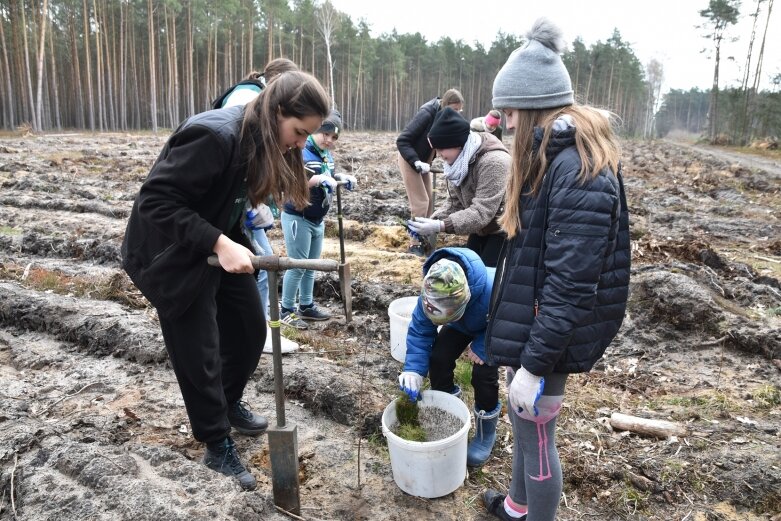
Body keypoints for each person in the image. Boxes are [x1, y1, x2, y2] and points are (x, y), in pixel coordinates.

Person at [121, 71, 331, 491]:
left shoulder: (260, 138)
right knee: (199, 351)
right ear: (277, 112)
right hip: (171, 254)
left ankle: (228, 401)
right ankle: (216, 443)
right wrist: (219, 242)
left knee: (251, 329)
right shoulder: (213, 136)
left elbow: (224, 195)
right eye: (299, 131)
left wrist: (236, 232)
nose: (301, 143)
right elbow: (155, 202)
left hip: (215, 239)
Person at [481, 18, 630, 521]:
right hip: (542, 323)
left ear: (533, 106)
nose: (505, 124)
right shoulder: (553, 157)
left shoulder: (578, 172)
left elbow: (569, 285)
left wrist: (534, 365)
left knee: (538, 435)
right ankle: (516, 505)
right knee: (525, 426)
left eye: (509, 112)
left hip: (554, 330)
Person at [219, 59, 301, 353]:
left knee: (260, 262)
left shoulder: (267, 106)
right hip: (229, 206)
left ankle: (254, 328)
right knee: (261, 262)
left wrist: (263, 202)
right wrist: (248, 204)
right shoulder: (246, 98)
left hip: (243, 202)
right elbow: (238, 154)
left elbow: (261, 164)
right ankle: (257, 331)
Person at [398, 247, 501, 467]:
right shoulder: (431, 294)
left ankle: (485, 433)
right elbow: (420, 331)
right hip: (461, 323)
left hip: (492, 325)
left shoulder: (497, 290)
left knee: (483, 375)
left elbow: (509, 320)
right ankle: (448, 407)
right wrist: (413, 369)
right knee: (439, 358)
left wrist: (483, 346)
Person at [279, 109, 357, 329]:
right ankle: (286, 310)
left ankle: (306, 305)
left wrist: (339, 177)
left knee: (310, 266)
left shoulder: (325, 154)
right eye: (326, 134)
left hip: (316, 220)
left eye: (334, 138)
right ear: (316, 130)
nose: (329, 140)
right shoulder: (301, 151)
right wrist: (318, 179)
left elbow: (328, 175)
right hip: (298, 216)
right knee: (297, 265)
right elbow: (292, 182)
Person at [407, 107, 510, 267]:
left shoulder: (494, 163)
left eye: (441, 148)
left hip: (505, 229)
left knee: (489, 277)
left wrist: (440, 226)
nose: (439, 154)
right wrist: (430, 222)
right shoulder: (457, 164)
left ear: (457, 143)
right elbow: (455, 203)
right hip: (481, 228)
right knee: (470, 271)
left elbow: (482, 212)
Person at [396, 89, 465, 256]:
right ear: (446, 105)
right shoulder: (427, 113)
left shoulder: (444, 117)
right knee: (420, 202)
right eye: (454, 109)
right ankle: (414, 244)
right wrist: (416, 161)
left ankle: (425, 240)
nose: (456, 114)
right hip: (409, 158)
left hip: (424, 161)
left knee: (429, 202)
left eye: (459, 111)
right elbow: (402, 140)